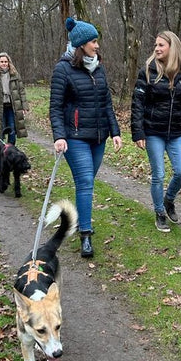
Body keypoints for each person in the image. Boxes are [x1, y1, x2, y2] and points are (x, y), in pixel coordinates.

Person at [50, 17, 122, 258]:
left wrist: (115, 132)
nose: (97, 45)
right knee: (86, 184)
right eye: (93, 41)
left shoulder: (98, 68)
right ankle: (85, 235)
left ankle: (82, 220)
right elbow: (56, 107)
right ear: (81, 44)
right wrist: (59, 136)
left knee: (87, 183)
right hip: (76, 137)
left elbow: (107, 103)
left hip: (98, 137)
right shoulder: (63, 69)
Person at [131, 31, 181, 232]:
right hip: (153, 131)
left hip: (177, 132)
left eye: (161, 45)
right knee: (158, 175)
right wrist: (138, 132)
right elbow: (137, 103)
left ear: (172, 48)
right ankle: (160, 212)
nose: (157, 49)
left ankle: (169, 200)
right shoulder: (148, 71)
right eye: (156, 45)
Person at [0, 52, 28, 145]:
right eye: (2, 61)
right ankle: (0, 150)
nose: (4, 63)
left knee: (12, 128)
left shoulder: (15, 74)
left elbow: (21, 90)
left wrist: (24, 106)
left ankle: (11, 150)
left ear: (9, 62)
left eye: (6, 61)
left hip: (12, 106)